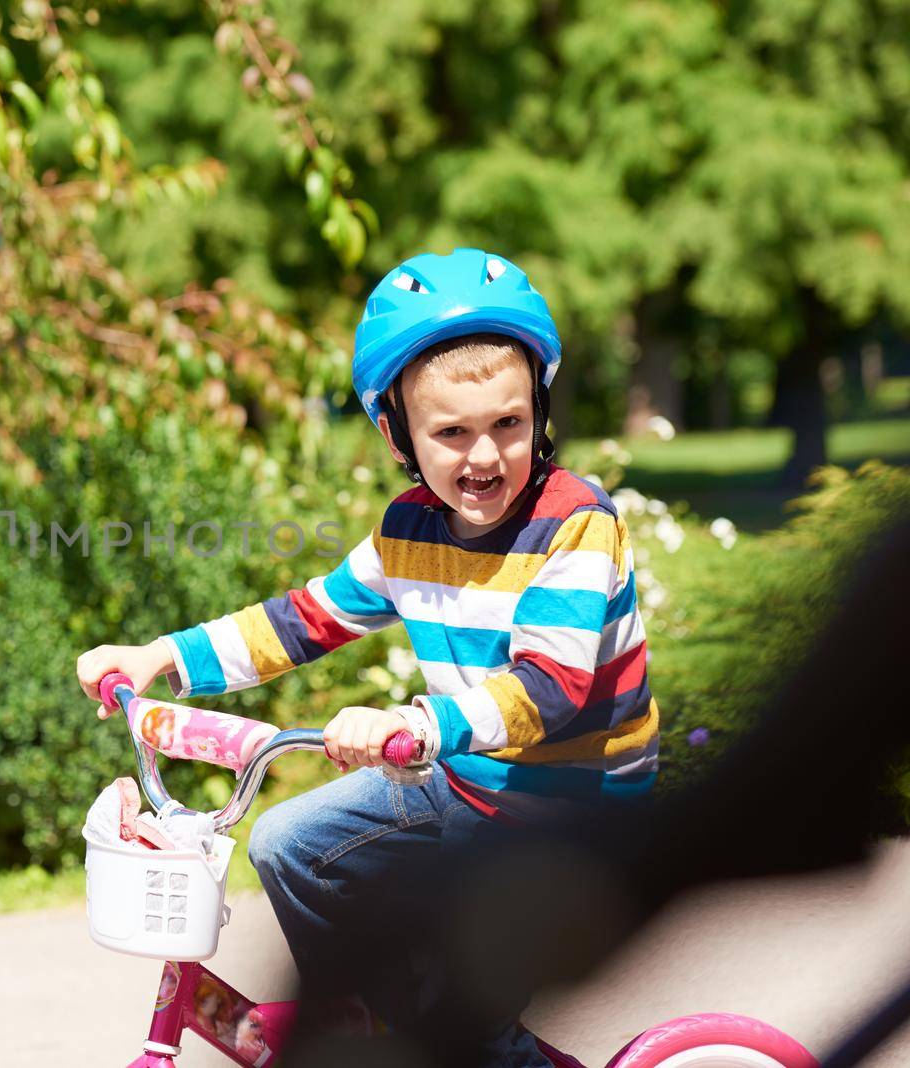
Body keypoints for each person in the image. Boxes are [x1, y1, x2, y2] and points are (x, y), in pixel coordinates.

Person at [76, 248, 659, 1066]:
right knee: (290, 845)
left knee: (468, 1016)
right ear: (398, 434)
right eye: (450, 433)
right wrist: (158, 658)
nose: (483, 457)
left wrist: (416, 726)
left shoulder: (573, 527)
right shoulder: (409, 530)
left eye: (508, 424)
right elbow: (302, 621)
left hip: (576, 813)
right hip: (468, 788)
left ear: (540, 410)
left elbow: (547, 691)